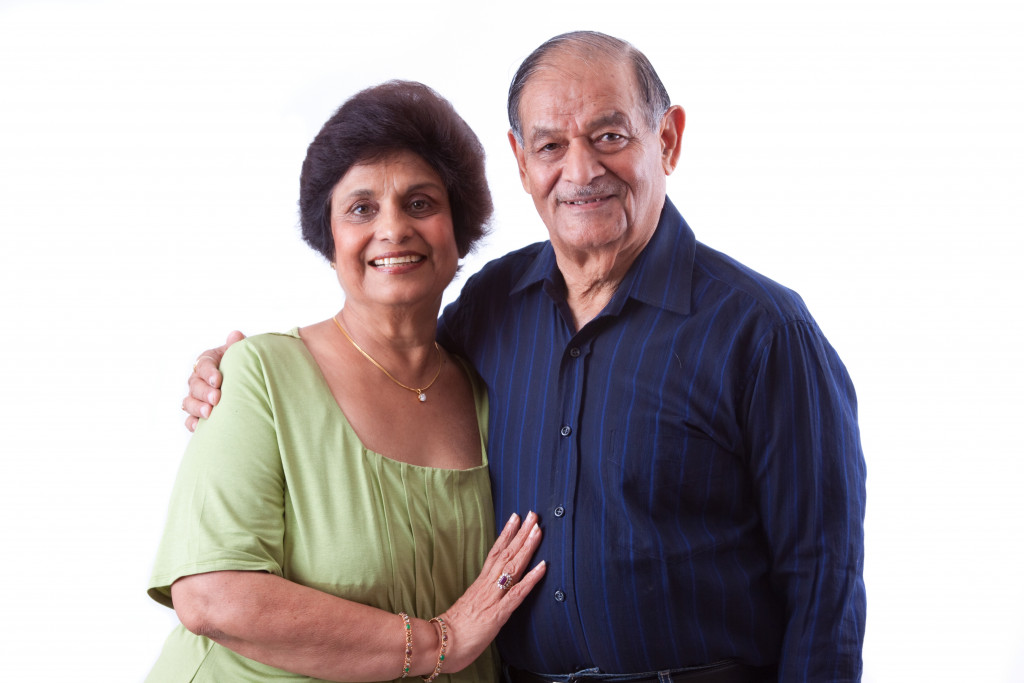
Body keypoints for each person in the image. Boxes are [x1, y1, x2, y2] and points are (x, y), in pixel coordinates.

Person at [184, 32, 866, 683]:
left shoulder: (764, 330)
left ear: (668, 138)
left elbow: (823, 578)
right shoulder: (489, 308)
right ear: (520, 161)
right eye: (551, 145)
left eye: (610, 135)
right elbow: (387, 362)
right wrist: (243, 370)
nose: (581, 170)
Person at [148, 80, 547, 683]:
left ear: (458, 230)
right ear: (329, 238)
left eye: (420, 203)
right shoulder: (258, 377)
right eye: (362, 208)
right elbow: (210, 597)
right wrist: (445, 640)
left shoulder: (486, 390)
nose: (393, 229)